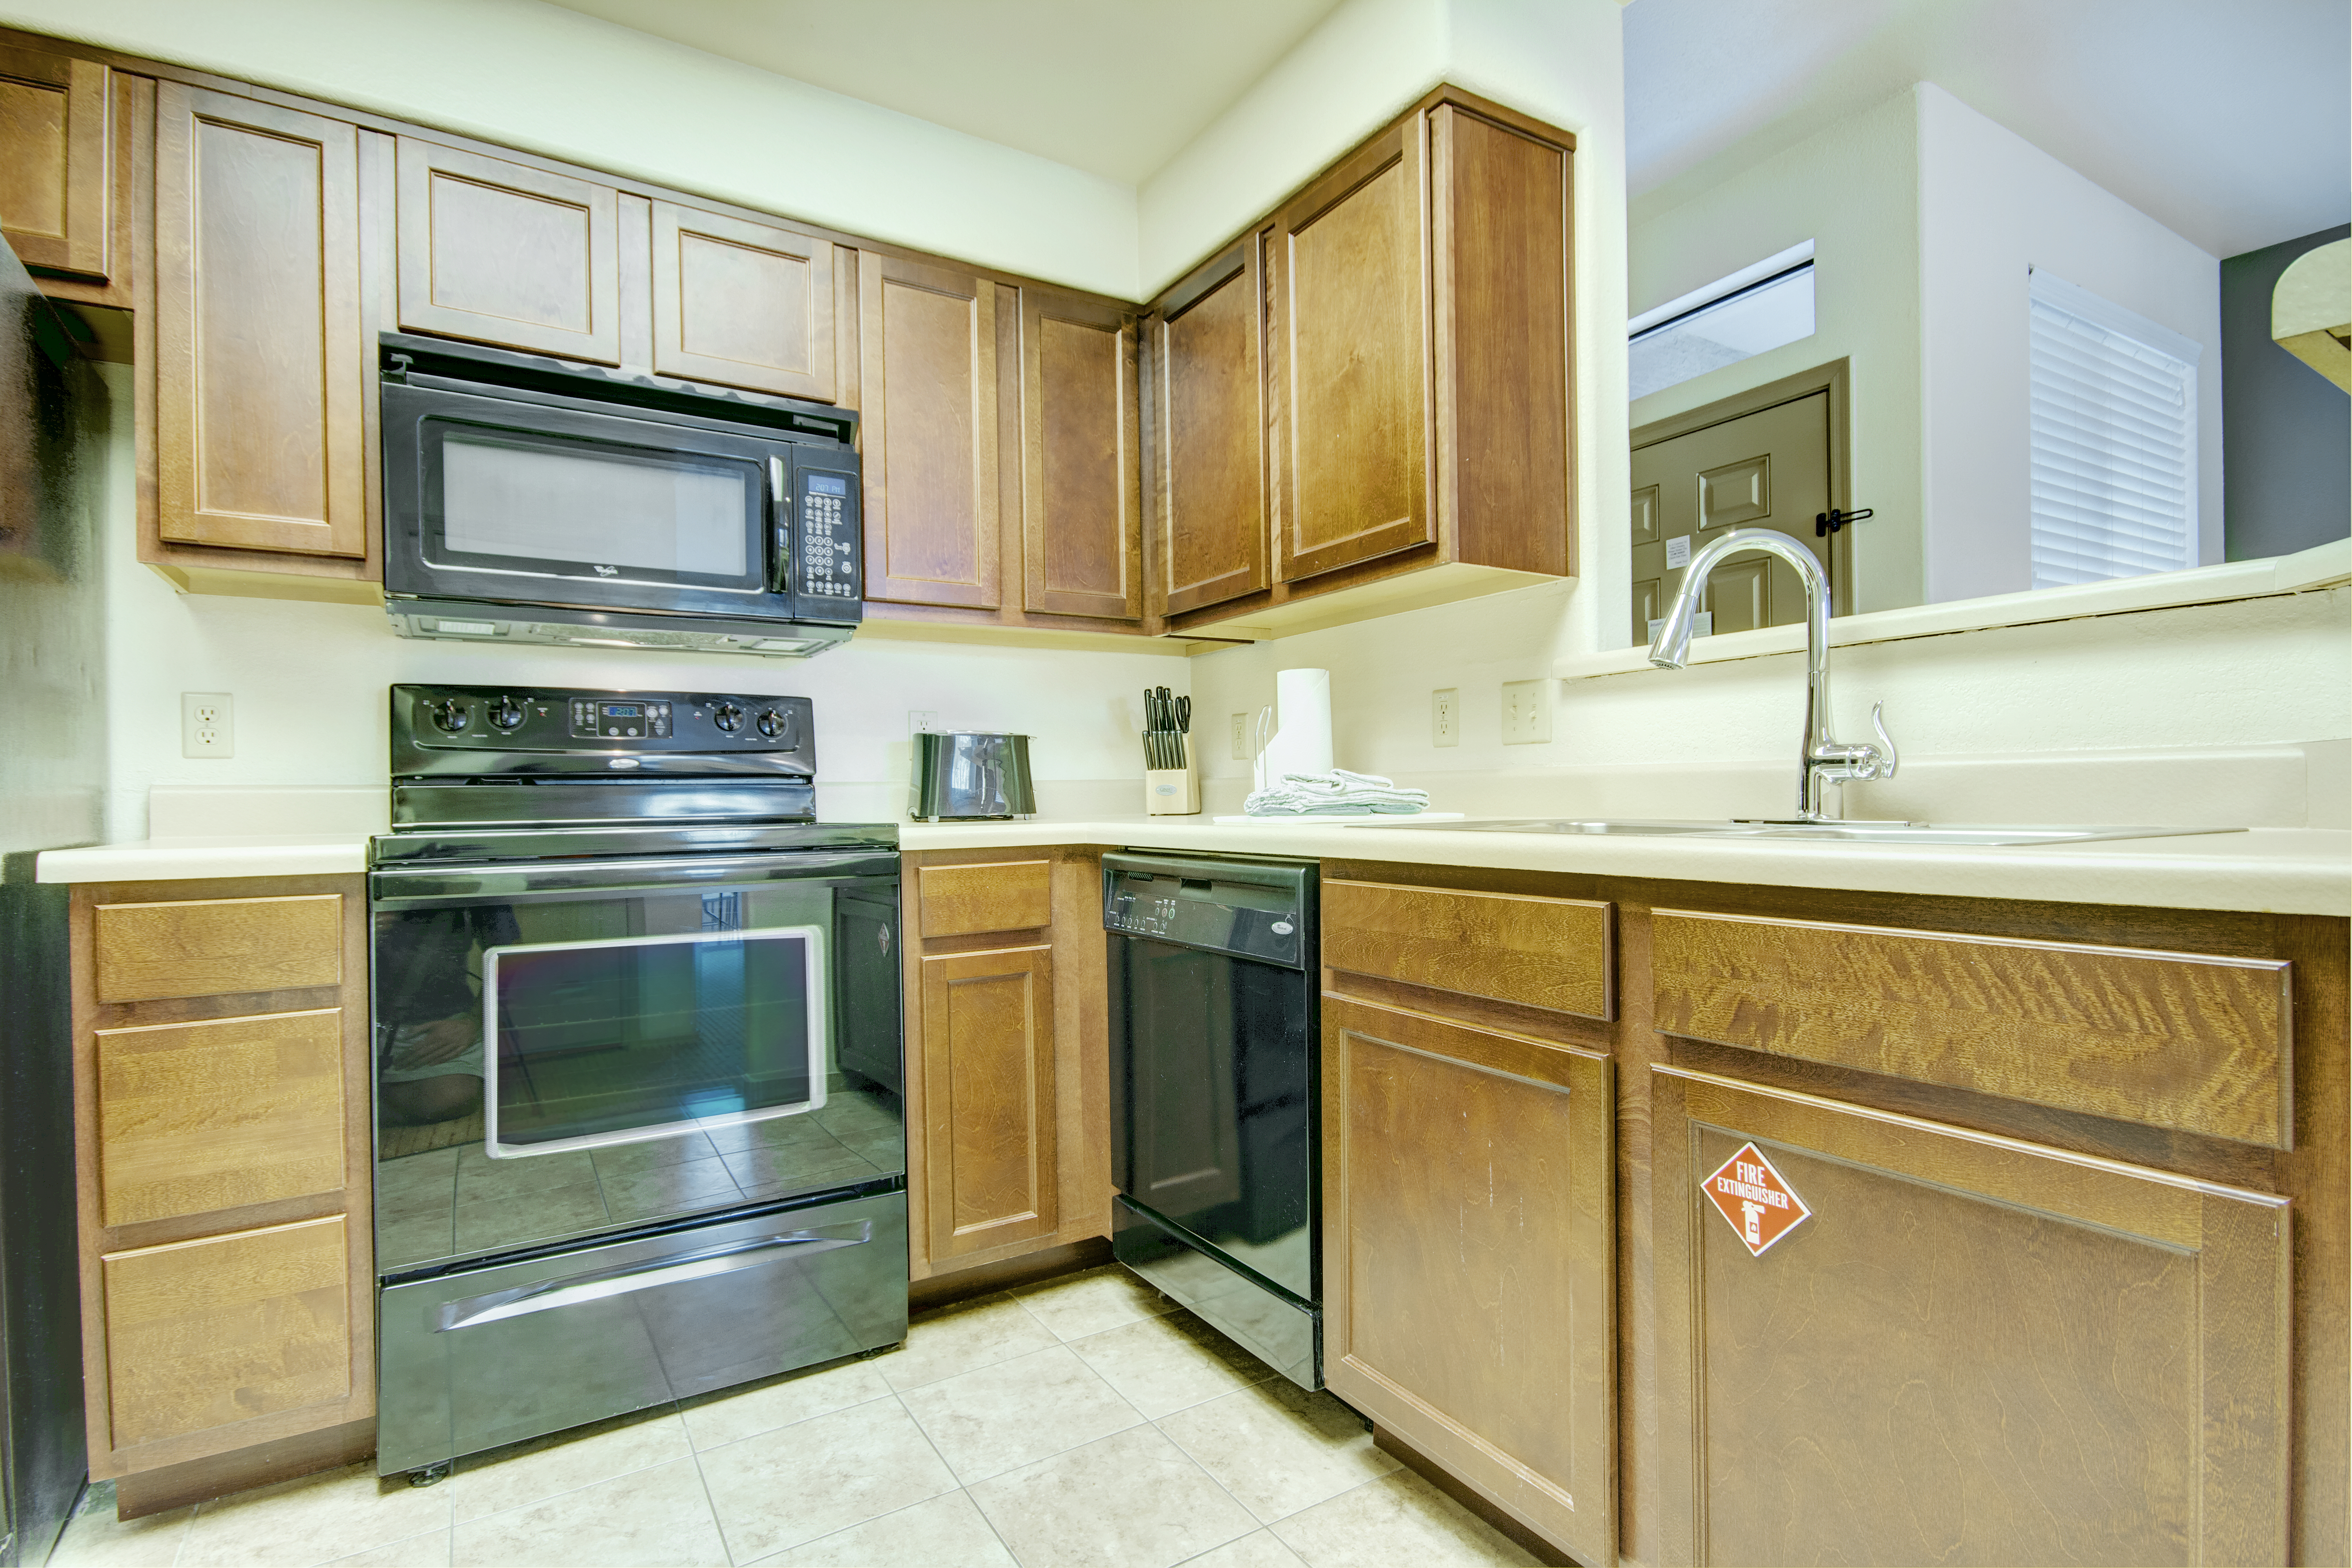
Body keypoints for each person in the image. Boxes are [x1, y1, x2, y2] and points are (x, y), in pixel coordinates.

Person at [373, 906, 519, 1126]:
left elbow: (511, 956)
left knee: (452, 1096)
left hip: (440, 1022)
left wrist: (473, 1022)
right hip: (353, 1020)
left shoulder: (471, 876)